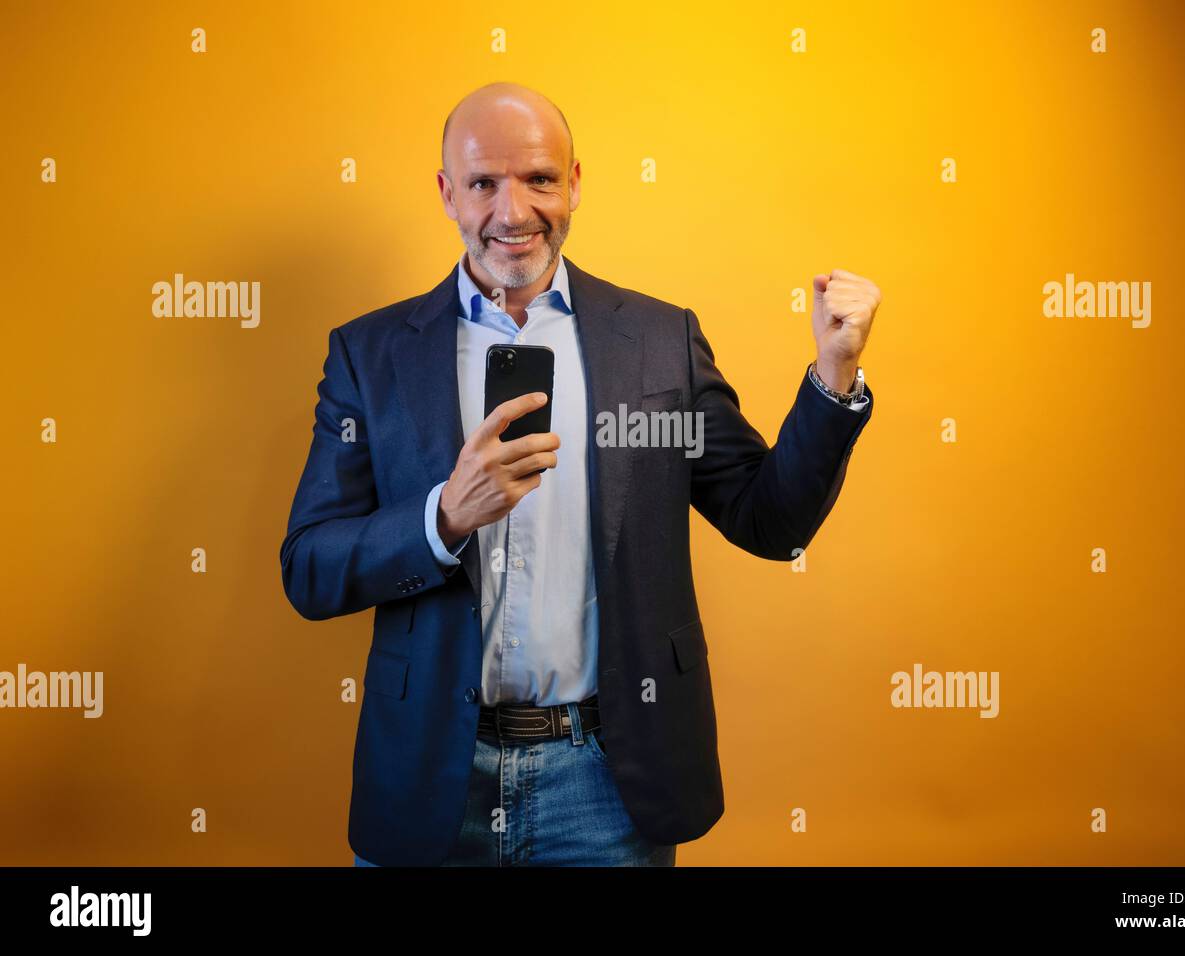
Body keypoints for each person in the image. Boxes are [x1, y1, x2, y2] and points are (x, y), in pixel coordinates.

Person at [280, 81, 881, 866]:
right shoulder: (371, 354)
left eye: (538, 179)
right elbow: (310, 569)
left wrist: (834, 376)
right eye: (484, 183)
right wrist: (442, 518)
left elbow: (770, 521)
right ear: (446, 194)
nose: (514, 212)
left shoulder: (660, 341)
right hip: (433, 777)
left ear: (575, 183)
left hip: (607, 785)